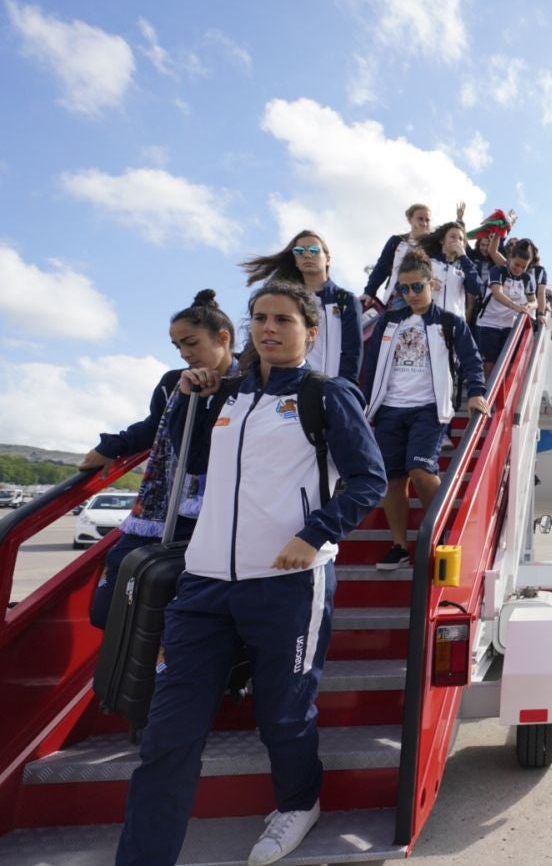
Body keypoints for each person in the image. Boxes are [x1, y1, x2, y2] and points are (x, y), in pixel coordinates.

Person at [115, 281, 387, 866]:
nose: (269, 328)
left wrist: (314, 533)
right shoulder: (226, 396)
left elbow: (369, 480)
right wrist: (189, 398)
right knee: (167, 733)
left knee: (284, 713)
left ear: (310, 333)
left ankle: (299, 801)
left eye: (283, 320)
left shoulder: (326, 394)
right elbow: (190, 466)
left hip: (288, 582)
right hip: (204, 583)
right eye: (260, 318)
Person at [79, 290, 236, 630]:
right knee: (109, 604)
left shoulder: (249, 384)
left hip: (220, 513)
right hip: (162, 505)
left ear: (223, 338)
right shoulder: (172, 382)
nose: (184, 353)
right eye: (177, 346)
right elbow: (153, 426)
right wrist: (113, 446)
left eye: (191, 343)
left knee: (185, 605)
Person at [361, 250, 488, 569]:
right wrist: (364, 406)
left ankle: (440, 532)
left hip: (429, 410)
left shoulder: (450, 322)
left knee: (420, 469)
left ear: (432, 284)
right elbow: (373, 365)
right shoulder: (389, 321)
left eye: (417, 287)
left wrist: (476, 392)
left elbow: (472, 360)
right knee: (392, 480)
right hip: (389, 410)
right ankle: (400, 545)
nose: (410, 294)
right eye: (403, 289)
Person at [242, 230, 360, 383]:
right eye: (299, 251)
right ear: (295, 260)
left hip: (324, 388)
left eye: (314, 250)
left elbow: (352, 354)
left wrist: (344, 389)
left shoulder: (345, 300)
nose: (307, 255)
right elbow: (256, 342)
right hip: (282, 387)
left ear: (328, 259)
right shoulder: (282, 299)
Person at [360, 201, 464, 311]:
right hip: (398, 296)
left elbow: (454, 241)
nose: (424, 223)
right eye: (420, 219)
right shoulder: (396, 241)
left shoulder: (434, 246)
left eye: (427, 220)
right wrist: (369, 292)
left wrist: (460, 222)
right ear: (410, 219)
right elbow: (382, 267)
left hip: (423, 297)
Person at [474, 243, 537, 376]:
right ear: (510, 258)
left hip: (509, 325)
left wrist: (528, 307)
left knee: (506, 361)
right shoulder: (497, 270)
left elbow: (534, 301)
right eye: (516, 264)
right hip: (488, 323)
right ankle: (487, 392)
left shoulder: (526, 279)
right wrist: (515, 306)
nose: (519, 269)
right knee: (490, 361)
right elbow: (497, 293)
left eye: (523, 267)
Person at [417, 220, 482, 320]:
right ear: (442, 240)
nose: (457, 241)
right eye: (452, 236)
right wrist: (425, 284)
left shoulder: (466, 267)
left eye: (461, 239)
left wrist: (463, 257)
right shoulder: (427, 262)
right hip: (427, 321)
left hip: (453, 326)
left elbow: (476, 289)